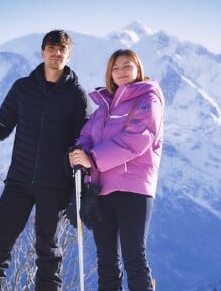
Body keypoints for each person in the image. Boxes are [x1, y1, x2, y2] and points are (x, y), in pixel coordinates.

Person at [0, 30, 87, 291]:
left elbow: (83, 139)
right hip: (19, 181)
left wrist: (81, 178)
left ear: (69, 55)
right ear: (42, 52)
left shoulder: (76, 95)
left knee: (48, 253)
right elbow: (0, 127)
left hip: (54, 186)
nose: (56, 52)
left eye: (62, 49)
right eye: (51, 47)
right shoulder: (22, 88)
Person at [69, 49, 164, 291]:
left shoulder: (148, 100)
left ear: (137, 68)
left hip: (133, 187)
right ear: (110, 73)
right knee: (107, 262)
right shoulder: (104, 108)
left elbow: (136, 139)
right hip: (102, 191)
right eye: (116, 68)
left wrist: (92, 159)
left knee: (134, 258)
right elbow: (86, 135)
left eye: (127, 66)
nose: (121, 72)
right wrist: (79, 153)